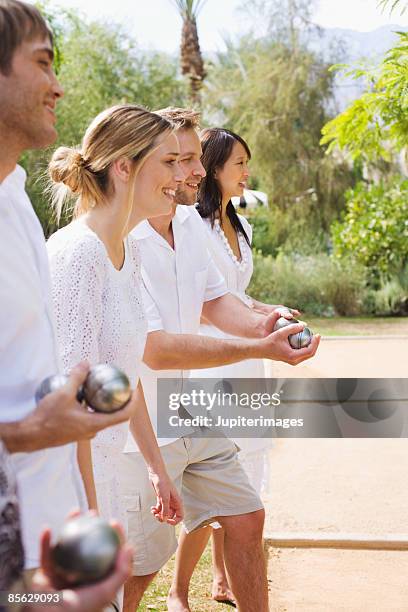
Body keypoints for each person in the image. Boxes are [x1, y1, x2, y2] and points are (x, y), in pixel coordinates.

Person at [122, 107, 320, 612]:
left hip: (193, 412)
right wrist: (258, 346)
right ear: (149, 163)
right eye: (182, 159)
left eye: (195, 159)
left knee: (247, 518)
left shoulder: (188, 223)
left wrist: (266, 325)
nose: (196, 171)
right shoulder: (125, 239)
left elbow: (218, 302)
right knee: (138, 570)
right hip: (141, 424)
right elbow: (156, 349)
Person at [0, 0, 138, 588]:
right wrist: (30, 435)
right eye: (43, 63)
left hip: (42, 553)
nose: (59, 86)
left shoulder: (14, 198)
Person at [172, 127, 298, 607]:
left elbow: (236, 297)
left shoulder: (238, 224)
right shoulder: (192, 226)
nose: (247, 172)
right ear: (214, 166)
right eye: (239, 163)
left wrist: (271, 312)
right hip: (212, 363)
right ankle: (179, 593)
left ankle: (222, 579)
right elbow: (207, 306)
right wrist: (258, 330)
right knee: (208, 483)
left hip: (249, 359)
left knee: (242, 475)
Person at [46, 104, 185, 535]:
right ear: (125, 167)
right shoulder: (78, 253)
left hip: (101, 476)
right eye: (168, 162)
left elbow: (123, 374)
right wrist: (89, 515)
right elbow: (71, 401)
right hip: (68, 489)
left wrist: (157, 468)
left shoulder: (130, 250)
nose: (180, 177)